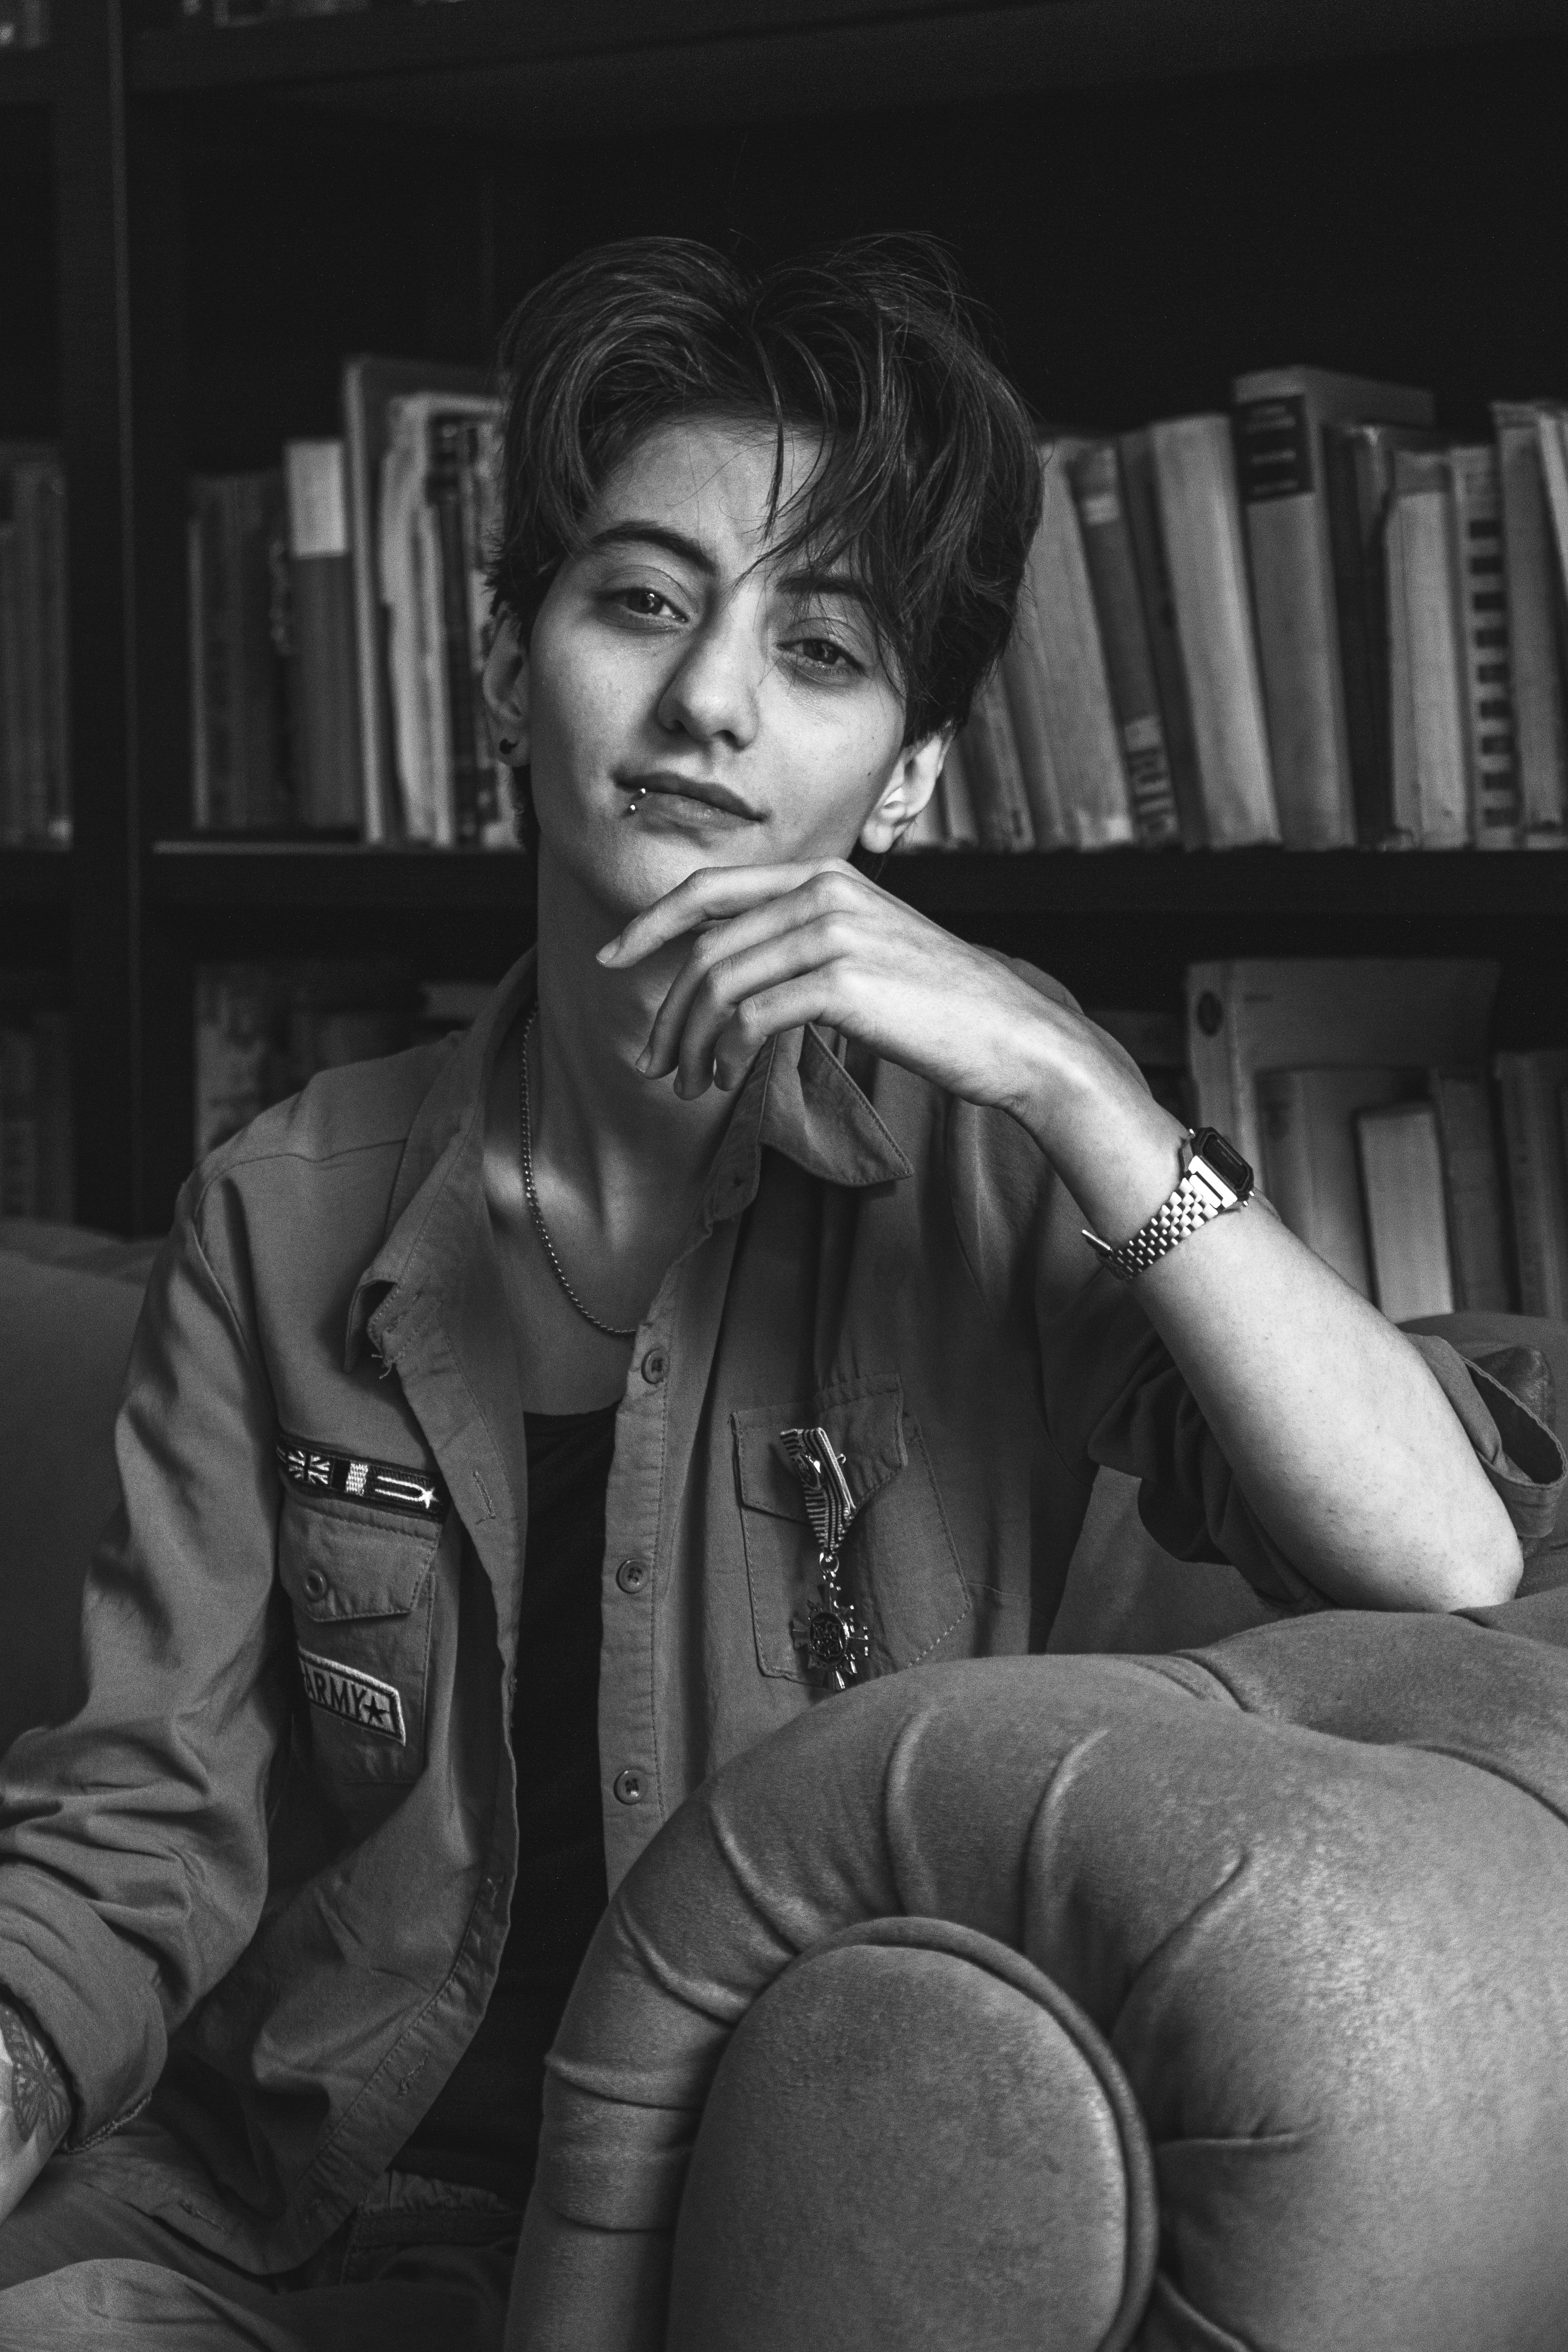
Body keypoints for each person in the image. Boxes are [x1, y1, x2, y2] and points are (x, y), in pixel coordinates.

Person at [0, 234, 1544, 2351]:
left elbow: (1447, 1553)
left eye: (820, 650)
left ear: (906, 776)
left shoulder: (993, 1182)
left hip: (733, 2242)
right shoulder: (280, 1213)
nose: (710, 697)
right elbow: (137, 1834)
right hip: (281, 2216)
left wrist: (1069, 1077)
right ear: (504, 668)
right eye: (639, 600)